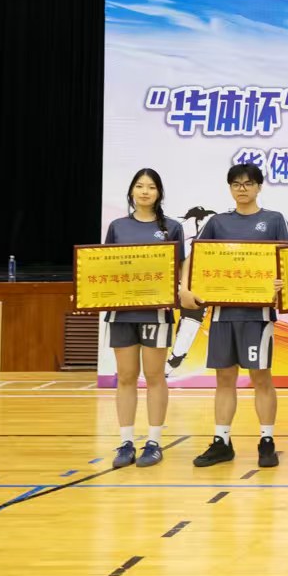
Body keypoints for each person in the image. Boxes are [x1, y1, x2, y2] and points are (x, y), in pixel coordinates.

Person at [182, 163, 288, 469]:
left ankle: (267, 441)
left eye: (248, 183)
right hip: (222, 314)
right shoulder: (217, 222)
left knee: (261, 377)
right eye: (236, 184)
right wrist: (184, 289)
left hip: (258, 315)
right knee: (224, 378)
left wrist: (281, 285)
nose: (242, 189)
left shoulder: (274, 220)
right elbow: (195, 258)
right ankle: (222, 441)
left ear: (259, 187)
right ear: (230, 188)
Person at [103, 168, 186, 469]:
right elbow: (103, 267)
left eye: (151, 187)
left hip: (157, 313)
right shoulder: (118, 227)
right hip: (122, 313)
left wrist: (182, 291)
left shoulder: (172, 228)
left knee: (154, 377)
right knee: (125, 376)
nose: (145, 191)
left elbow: (180, 269)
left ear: (159, 193)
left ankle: (154, 442)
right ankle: (126, 442)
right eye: (139, 186)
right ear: (131, 191)